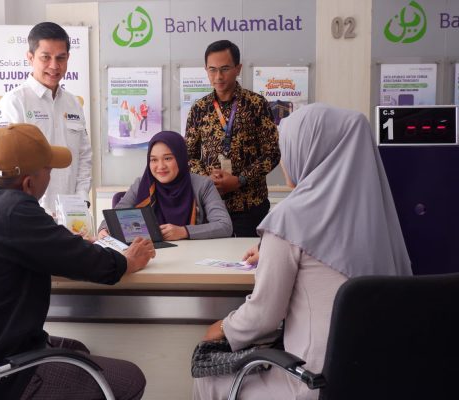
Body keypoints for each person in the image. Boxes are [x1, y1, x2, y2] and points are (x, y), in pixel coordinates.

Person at [193, 103, 412, 399]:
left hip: (313, 383)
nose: (284, 161)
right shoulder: (379, 218)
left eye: (286, 149)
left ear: (309, 151)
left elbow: (262, 320)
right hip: (380, 378)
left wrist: (222, 327)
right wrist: (271, 250)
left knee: (209, 378)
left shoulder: (289, 219)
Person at [0, 123, 155, 400]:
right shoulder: (13, 210)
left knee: (78, 350)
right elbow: (90, 264)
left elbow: (26, 244)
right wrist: (127, 261)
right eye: (48, 169)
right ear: (28, 183)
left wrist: (60, 241)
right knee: (129, 379)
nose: (51, 174)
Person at [0, 22, 92, 214]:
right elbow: (6, 164)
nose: (54, 66)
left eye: (60, 58)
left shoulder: (73, 103)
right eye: (46, 57)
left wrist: (81, 200)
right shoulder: (15, 102)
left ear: (68, 58)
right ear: (30, 57)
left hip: (72, 214)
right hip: (30, 214)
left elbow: (84, 156)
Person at [185, 40, 280, 237]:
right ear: (206, 70)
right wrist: (207, 180)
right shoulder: (199, 108)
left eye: (225, 69)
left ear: (238, 68)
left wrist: (240, 180)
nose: (218, 76)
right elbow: (189, 156)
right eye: (212, 70)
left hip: (250, 204)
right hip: (211, 205)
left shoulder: (257, 104)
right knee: (210, 256)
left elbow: (272, 154)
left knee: (247, 255)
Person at [98, 131, 232, 241]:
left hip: (194, 255)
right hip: (150, 255)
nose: (160, 166)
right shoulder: (141, 184)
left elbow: (224, 225)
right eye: (154, 160)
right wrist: (104, 230)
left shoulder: (202, 185)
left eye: (168, 158)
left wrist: (184, 231)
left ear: (180, 158)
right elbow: (112, 219)